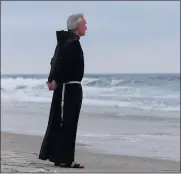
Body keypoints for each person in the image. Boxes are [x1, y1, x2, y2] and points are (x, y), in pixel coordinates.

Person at [39, 13, 87, 168]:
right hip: (67, 87)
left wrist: (53, 78)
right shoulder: (69, 42)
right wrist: (53, 79)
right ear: (77, 26)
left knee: (69, 123)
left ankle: (63, 158)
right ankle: (63, 159)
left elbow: (56, 60)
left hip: (73, 87)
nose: (86, 27)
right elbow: (57, 61)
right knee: (65, 122)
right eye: (84, 24)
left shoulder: (72, 42)